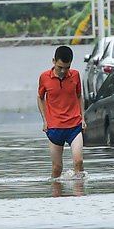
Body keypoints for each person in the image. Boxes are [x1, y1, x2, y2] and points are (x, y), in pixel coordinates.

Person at [38, 45, 86, 177]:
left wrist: (82, 118)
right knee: (57, 167)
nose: (63, 71)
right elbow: (40, 98)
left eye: (67, 67)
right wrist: (45, 120)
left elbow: (79, 96)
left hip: (74, 125)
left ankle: (80, 195)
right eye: (60, 67)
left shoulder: (75, 75)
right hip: (54, 126)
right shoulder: (44, 77)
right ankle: (56, 195)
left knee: (79, 162)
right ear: (54, 61)